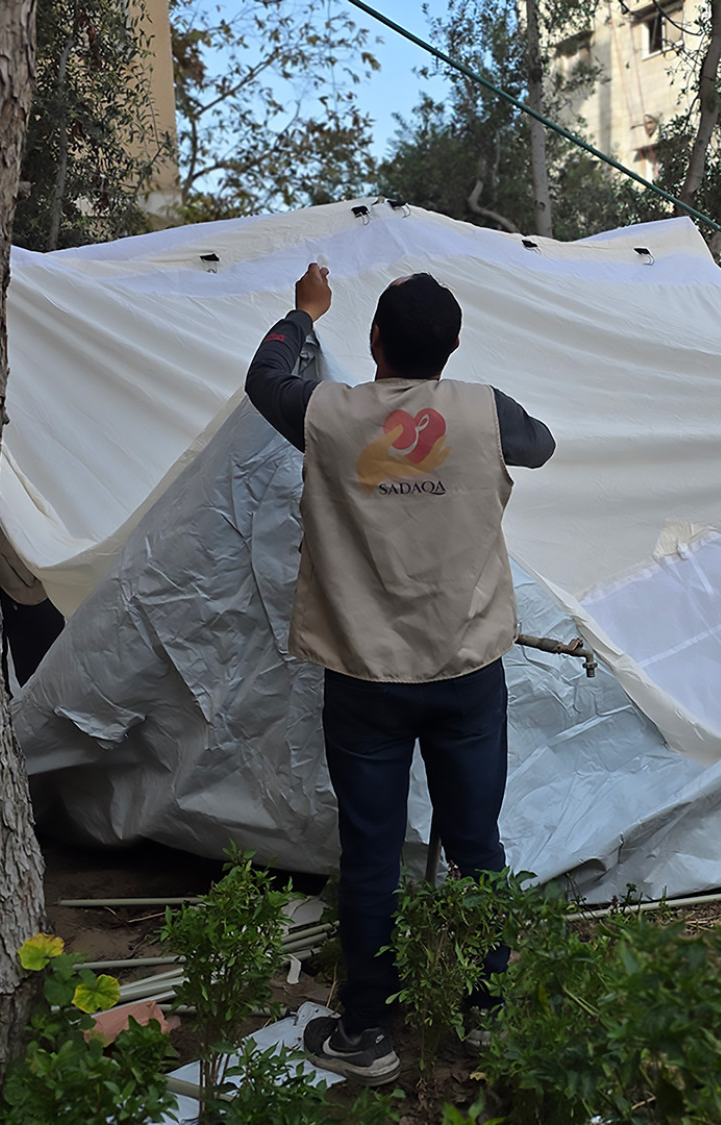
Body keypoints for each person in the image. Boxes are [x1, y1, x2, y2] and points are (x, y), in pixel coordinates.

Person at [245, 264, 555, 1084]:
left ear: (375, 339)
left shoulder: (328, 413)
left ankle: (367, 1034)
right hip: (465, 670)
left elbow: (264, 377)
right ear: (452, 347)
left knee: (372, 854)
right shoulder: (487, 412)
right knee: (477, 845)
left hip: (366, 677)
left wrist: (305, 313)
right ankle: (485, 1011)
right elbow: (542, 443)